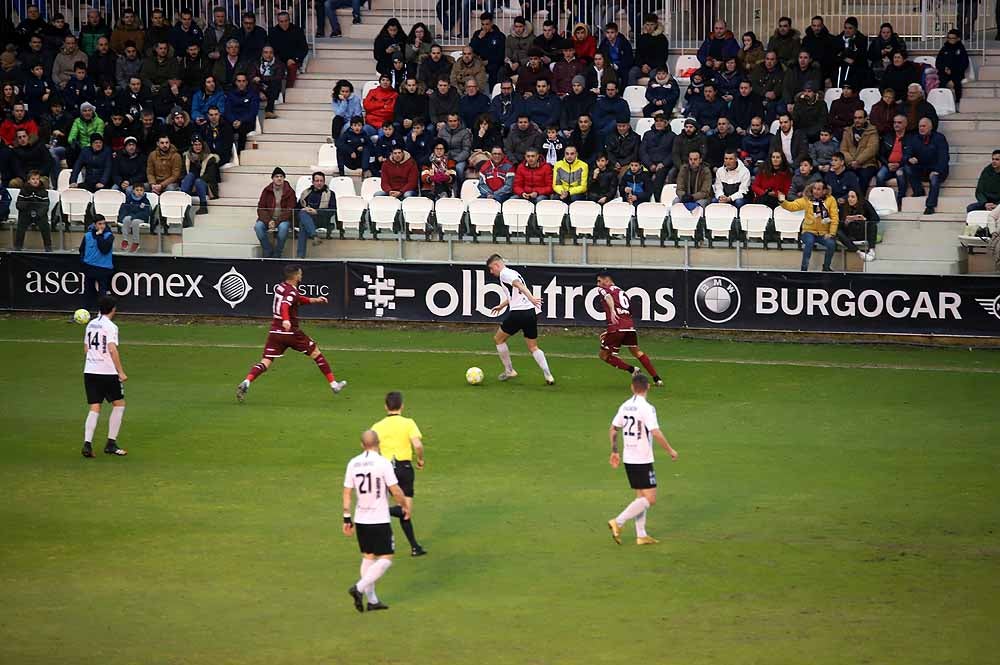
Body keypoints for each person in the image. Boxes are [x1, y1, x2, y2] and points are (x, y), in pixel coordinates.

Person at [236, 263, 346, 402]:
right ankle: (334, 385)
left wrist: (315, 300)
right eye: (300, 274)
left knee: (266, 361)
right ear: (295, 276)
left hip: (275, 331)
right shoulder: (291, 292)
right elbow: (285, 305)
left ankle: (247, 381)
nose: (301, 275)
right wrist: (286, 320)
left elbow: (297, 299)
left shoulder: (282, 287)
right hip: (290, 332)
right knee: (316, 354)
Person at [607, 373, 678, 546]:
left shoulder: (625, 406)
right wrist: (670, 450)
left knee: (640, 496)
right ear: (648, 387)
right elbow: (655, 431)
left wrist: (615, 451)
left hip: (629, 458)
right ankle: (619, 521)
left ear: (632, 387)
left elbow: (613, 429)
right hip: (642, 459)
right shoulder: (647, 408)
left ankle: (641, 535)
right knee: (650, 498)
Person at [343, 429, 408, 613]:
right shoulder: (383, 463)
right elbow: (395, 490)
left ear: (362, 445)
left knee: (368, 557)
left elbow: (347, 492)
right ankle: (359, 588)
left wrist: (346, 516)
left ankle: (372, 601)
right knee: (386, 559)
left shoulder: (353, 463)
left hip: (361, 519)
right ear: (378, 443)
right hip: (379, 519)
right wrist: (404, 506)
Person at [369, 390, 427, 558]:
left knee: (402, 509)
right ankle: (414, 547)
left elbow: (371, 449)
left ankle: (412, 546)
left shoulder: (377, 426)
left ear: (386, 406)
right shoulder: (408, 423)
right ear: (402, 406)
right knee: (406, 509)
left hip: (384, 468)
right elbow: (417, 444)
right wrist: (421, 459)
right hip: (405, 468)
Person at [486, 254, 553, 385]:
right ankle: (548, 375)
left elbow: (520, 287)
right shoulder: (513, 272)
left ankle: (509, 370)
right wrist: (502, 305)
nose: (491, 272)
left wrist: (532, 298)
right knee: (533, 347)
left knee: (498, 339)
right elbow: (516, 293)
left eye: (491, 268)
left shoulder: (505, 274)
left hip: (518, 313)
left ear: (496, 265)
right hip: (530, 313)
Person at [81, 295, 128, 459]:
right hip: (107, 372)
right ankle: (111, 443)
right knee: (119, 404)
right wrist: (120, 371)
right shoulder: (111, 327)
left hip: (90, 371)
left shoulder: (90, 324)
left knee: (95, 407)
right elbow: (112, 349)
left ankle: (87, 444)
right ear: (113, 309)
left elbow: (86, 349)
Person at [595, 271, 663, 383]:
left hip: (616, 327)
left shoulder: (603, 289)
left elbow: (608, 297)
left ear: (607, 280)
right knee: (637, 352)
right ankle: (657, 379)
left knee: (603, 355)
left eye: (599, 281)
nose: (598, 284)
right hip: (629, 326)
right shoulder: (623, 292)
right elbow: (630, 311)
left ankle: (632, 370)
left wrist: (612, 310)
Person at [781, 181, 839, 270]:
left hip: (823, 233)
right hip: (808, 231)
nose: (815, 191)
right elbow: (792, 206)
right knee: (809, 242)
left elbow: (834, 218)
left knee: (831, 244)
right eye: (814, 189)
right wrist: (782, 201)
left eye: (818, 189)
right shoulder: (807, 199)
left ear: (824, 191)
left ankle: (826, 267)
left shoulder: (831, 200)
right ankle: (804, 269)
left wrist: (831, 233)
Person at [901, 117, 950, 215]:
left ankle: (930, 206)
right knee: (907, 168)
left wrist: (938, 170)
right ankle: (918, 191)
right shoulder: (914, 139)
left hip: (937, 169)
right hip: (922, 168)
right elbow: (906, 154)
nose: (921, 128)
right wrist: (909, 159)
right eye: (919, 126)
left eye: (923, 126)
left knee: (935, 178)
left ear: (930, 127)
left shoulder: (939, 138)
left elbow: (944, 157)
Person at [253, 167, 297, 257]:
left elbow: (290, 210)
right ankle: (267, 249)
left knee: (283, 229)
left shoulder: (290, 192)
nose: (279, 178)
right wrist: (269, 221)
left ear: (284, 178)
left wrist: (275, 222)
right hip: (268, 219)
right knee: (258, 227)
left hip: (283, 220)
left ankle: (278, 253)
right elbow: (261, 208)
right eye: (277, 176)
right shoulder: (266, 190)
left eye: (281, 176)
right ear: (272, 178)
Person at [297, 172, 337, 256]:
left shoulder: (330, 194)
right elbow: (296, 208)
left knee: (303, 222)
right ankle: (314, 236)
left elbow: (332, 210)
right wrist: (304, 208)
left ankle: (300, 256)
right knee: (303, 216)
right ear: (313, 182)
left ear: (324, 182)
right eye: (317, 181)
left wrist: (316, 212)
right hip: (308, 219)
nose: (319, 183)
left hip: (322, 220)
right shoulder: (306, 193)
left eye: (321, 181)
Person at [79, 214, 114, 310]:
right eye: (100, 224)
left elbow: (104, 249)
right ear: (94, 224)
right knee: (87, 292)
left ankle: (103, 313)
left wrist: (99, 236)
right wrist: (84, 263)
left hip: (103, 269)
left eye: (104, 223)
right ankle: (85, 312)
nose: (102, 226)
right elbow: (82, 250)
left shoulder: (109, 236)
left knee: (102, 293)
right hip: (89, 268)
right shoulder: (87, 236)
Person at [841, 109, 879, 194]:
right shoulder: (847, 131)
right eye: (855, 118)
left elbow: (872, 149)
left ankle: (860, 201)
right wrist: (851, 162)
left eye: (860, 118)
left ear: (866, 118)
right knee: (843, 175)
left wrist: (858, 161)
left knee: (864, 177)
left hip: (867, 164)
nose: (857, 120)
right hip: (850, 163)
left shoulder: (872, 131)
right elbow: (843, 149)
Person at [13, 170, 51, 252]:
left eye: (37, 179)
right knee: (21, 226)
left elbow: (45, 206)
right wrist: (28, 204)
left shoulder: (43, 191)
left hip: (39, 215)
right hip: (26, 213)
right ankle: (17, 247)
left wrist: (38, 213)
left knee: (45, 226)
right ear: (28, 180)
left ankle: (48, 247)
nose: (35, 181)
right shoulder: (23, 191)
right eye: (33, 179)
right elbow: (19, 205)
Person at [268, 11, 308, 88]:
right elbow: (271, 48)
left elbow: (304, 48)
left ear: (289, 20)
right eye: (281, 21)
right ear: (278, 21)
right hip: (278, 59)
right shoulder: (273, 32)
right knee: (276, 68)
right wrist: (276, 60)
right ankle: (277, 92)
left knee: (292, 67)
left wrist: (295, 59)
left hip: (293, 60)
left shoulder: (297, 30)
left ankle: (288, 90)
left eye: (286, 21)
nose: (284, 23)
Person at [839, 189, 878, 262]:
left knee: (872, 225)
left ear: (858, 198)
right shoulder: (844, 206)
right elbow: (839, 223)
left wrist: (865, 219)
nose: (850, 199)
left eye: (853, 197)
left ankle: (871, 250)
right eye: (849, 197)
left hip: (862, 231)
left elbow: (876, 219)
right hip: (850, 233)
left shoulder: (865, 204)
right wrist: (845, 222)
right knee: (838, 231)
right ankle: (859, 253)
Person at [628, 14, 668, 86]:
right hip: (642, 67)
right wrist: (642, 65)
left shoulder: (662, 39)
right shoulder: (641, 38)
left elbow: (663, 58)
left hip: (656, 67)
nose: (649, 27)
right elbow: (638, 55)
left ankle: (652, 95)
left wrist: (650, 66)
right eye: (647, 24)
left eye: (652, 25)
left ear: (656, 25)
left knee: (654, 75)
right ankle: (632, 94)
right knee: (632, 72)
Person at [180, 135, 217, 213]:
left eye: (199, 144)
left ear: (202, 145)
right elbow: (183, 173)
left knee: (198, 181)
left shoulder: (210, 158)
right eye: (195, 145)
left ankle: (203, 207)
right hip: (190, 184)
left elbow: (211, 176)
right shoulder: (187, 156)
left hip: (205, 185)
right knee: (190, 175)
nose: (197, 147)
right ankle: (183, 204)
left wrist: (195, 184)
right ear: (192, 145)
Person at [224, 73, 259, 152]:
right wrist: (233, 120)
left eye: (243, 81)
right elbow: (227, 111)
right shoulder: (230, 94)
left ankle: (240, 153)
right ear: (236, 82)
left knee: (243, 129)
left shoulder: (253, 94)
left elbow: (253, 112)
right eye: (239, 81)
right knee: (226, 128)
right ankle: (228, 153)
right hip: (233, 121)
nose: (241, 83)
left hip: (246, 121)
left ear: (247, 82)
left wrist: (241, 120)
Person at [470, 12, 505, 88]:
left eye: (487, 24)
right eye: (482, 24)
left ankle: (492, 92)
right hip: (478, 62)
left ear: (491, 23)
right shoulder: (477, 34)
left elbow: (501, 55)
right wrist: (479, 38)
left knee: (494, 68)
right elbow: (470, 49)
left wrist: (488, 61)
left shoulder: (499, 36)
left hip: (493, 63)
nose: (484, 27)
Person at [437, 113, 471, 194]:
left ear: (458, 121)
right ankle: (441, 192)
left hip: (459, 158)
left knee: (459, 169)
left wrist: (455, 160)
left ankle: (460, 191)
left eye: (455, 121)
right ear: (447, 122)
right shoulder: (442, 131)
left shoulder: (465, 132)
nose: (452, 123)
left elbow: (466, 150)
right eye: (450, 121)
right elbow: (437, 145)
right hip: (444, 157)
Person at [936, 29, 969, 106]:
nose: (950, 40)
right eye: (949, 38)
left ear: (958, 39)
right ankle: (942, 104)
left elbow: (964, 64)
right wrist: (944, 68)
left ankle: (957, 103)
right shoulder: (944, 49)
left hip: (957, 74)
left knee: (956, 83)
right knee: (941, 83)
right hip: (944, 73)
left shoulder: (961, 49)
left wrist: (953, 71)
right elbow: (938, 62)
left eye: (953, 38)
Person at [833, 17, 868, 89]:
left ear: (855, 29)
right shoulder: (837, 40)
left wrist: (842, 55)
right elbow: (834, 56)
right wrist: (845, 58)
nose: (847, 30)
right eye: (845, 28)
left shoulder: (862, 40)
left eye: (850, 28)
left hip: (856, 71)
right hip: (840, 70)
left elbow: (860, 57)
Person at [117, 182, 152, 252]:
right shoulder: (129, 199)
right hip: (131, 216)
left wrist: (135, 215)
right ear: (133, 191)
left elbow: (146, 213)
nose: (139, 192)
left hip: (141, 218)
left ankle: (136, 242)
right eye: (137, 190)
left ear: (144, 191)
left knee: (135, 222)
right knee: (126, 219)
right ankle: (125, 240)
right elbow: (126, 210)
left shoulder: (146, 201)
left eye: (141, 190)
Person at [254, 45, 285, 119]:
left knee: (274, 83)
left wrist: (261, 79)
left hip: (272, 88)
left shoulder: (279, 64)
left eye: (270, 52)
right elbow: (251, 76)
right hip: (259, 88)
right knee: (251, 82)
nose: (268, 55)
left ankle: (269, 111)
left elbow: (278, 77)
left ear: (273, 54)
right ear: (262, 53)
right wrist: (259, 92)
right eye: (266, 52)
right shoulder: (256, 63)